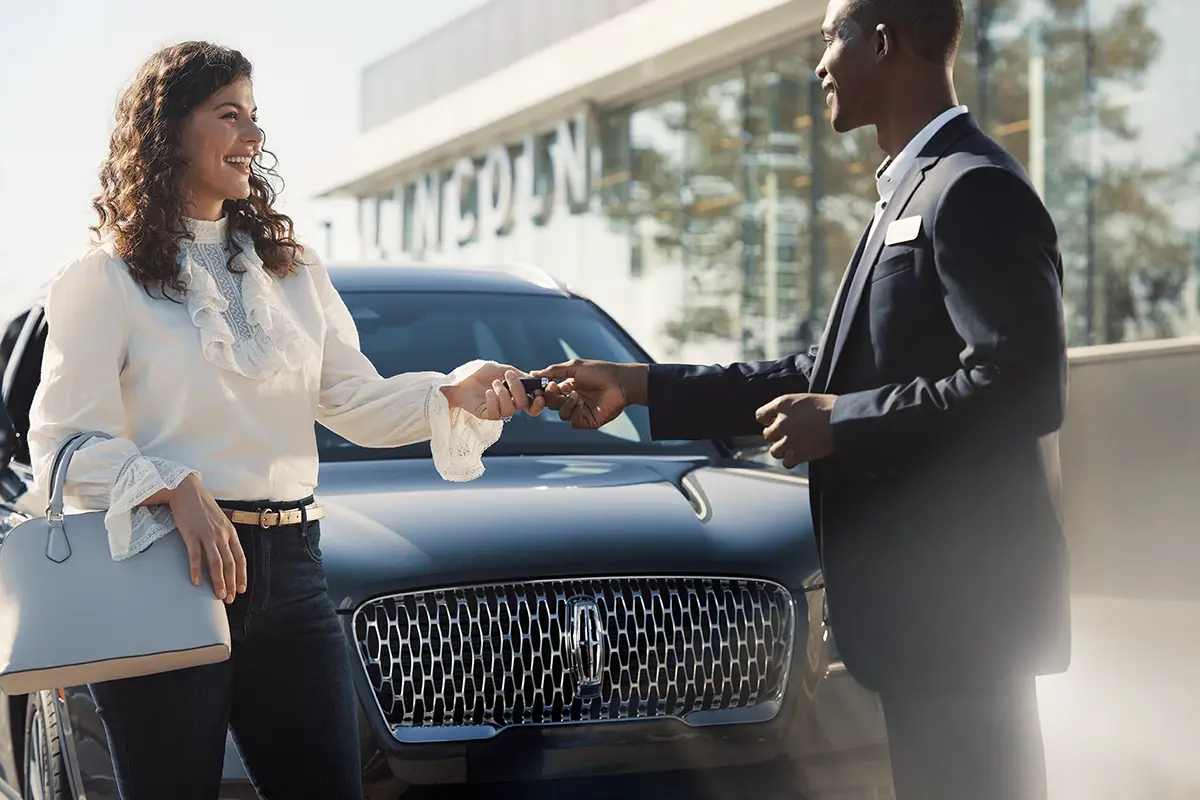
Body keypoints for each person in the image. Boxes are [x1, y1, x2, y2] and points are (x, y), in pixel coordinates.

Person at [534, 0, 1069, 797]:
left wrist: (842, 423)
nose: (820, 64)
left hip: (964, 622)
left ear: (882, 42)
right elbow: (820, 374)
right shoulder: (907, 193)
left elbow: (1023, 386)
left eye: (831, 38)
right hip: (920, 623)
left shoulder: (973, 187)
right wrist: (639, 386)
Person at [26, 41, 543, 800]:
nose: (253, 137)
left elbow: (352, 400)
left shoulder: (291, 270)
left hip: (295, 573)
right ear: (168, 132)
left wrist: (452, 392)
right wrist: (174, 485)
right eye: (229, 115)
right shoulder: (103, 278)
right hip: (166, 572)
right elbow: (63, 445)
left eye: (255, 118)